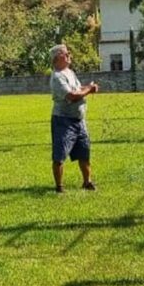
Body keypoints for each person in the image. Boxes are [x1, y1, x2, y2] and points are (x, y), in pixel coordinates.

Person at [49, 44, 98, 193]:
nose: (70, 55)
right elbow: (71, 96)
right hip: (63, 120)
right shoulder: (57, 77)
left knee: (84, 152)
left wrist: (87, 87)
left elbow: (77, 89)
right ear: (58, 57)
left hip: (79, 119)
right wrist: (89, 90)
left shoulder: (69, 72)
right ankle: (59, 187)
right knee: (60, 155)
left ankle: (87, 182)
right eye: (66, 53)